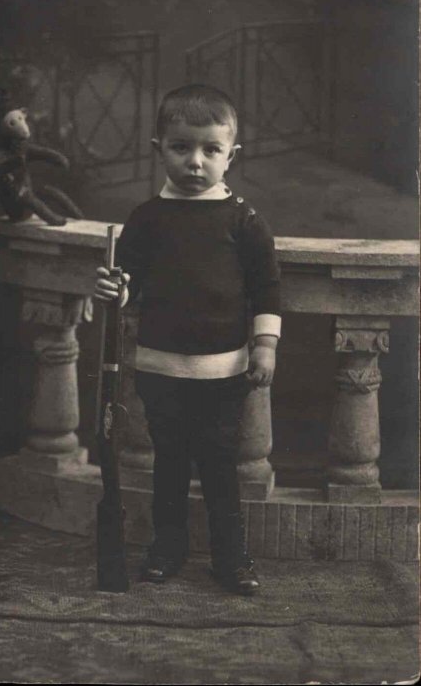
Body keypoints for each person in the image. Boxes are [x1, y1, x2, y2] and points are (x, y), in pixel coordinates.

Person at [94, 84, 281, 595]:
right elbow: (126, 282)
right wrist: (114, 286)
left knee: (221, 468)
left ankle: (232, 559)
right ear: (160, 149)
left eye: (210, 150)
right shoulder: (147, 218)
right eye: (181, 148)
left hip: (224, 372)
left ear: (230, 156)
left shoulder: (244, 220)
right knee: (169, 465)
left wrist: (264, 346)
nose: (195, 161)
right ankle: (167, 548)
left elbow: (267, 288)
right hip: (160, 368)